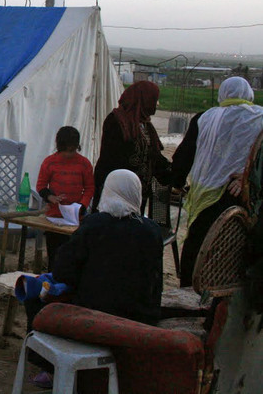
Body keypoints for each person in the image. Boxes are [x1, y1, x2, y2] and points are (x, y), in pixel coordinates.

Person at [22, 169, 164, 387]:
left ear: (106, 191)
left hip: (94, 315)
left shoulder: (94, 224)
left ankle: (50, 369)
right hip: (140, 317)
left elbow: (63, 272)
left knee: (36, 296)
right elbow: (155, 281)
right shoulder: (152, 231)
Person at [171, 76, 263, 286]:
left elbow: (184, 156)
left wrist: (176, 181)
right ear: (248, 94)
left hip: (205, 195)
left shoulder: (205, 118)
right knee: (231, 249)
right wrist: (248, 179)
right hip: (239, 195)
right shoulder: (259, 118)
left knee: (197, 245)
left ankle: (189, 291)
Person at [93, 81, 171, 211]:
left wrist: (170, 170)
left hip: (137, 190)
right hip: (117, 190)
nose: (156, 105)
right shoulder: (117, 121)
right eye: (153, 100)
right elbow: (113, 158)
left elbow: (152, 154)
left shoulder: (144, 124)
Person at [35, 126, 95, 268]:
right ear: (60, 147)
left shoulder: (84, 164)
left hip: (75, 218)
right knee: (54, 255)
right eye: (66, 150)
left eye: (72, 150)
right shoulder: (50, 162)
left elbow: (89, 188)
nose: (69, 154)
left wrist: (82, 205)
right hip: (54, 217)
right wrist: (50, 197)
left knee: (72, 256)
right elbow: (41, 185)